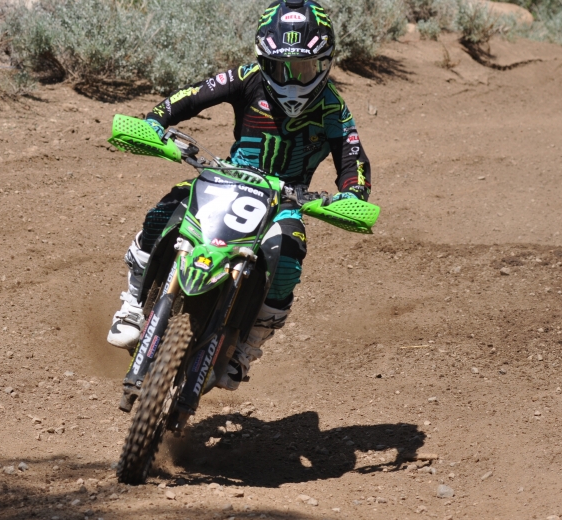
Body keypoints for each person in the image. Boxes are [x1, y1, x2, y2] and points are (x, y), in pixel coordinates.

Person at [107, 0, 371, 391]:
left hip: (286, 200)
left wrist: (353, 195)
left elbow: (353, 158)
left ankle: (246, 348)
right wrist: (155, 122)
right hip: (227, 177)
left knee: (289, 257)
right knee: (166, 210)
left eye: (304, 67)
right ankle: (132, 303)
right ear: (264, 59)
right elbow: (192, 96)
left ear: (325, 62)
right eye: (281, 68)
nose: (293, 79)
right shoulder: (246, 78)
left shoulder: (333, 107)